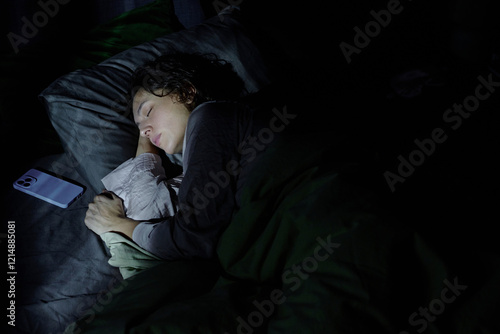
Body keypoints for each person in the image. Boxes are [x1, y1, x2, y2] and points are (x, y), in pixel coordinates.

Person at [84, 52, 284, 260]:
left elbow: (190, 239)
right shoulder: (211, 152)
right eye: (139, 127)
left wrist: (118, 224)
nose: (143, 131)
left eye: (148, 111)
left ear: (186, 92)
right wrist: (147, 129)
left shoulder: (210, 116)